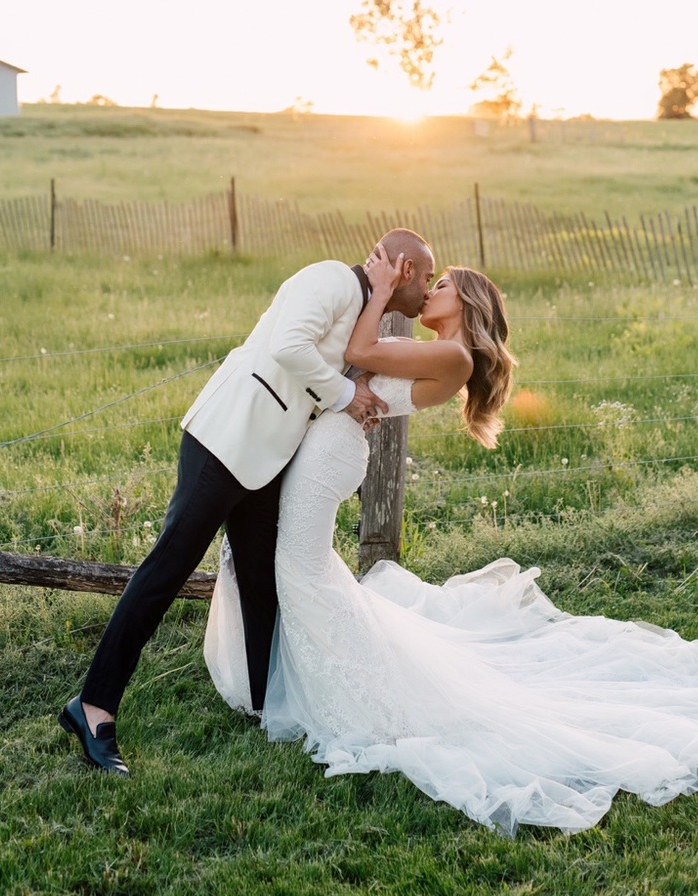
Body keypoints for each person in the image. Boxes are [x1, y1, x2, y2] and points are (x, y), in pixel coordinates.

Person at [205, 248, 698, 836]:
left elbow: (363, 350)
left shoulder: (452, 358)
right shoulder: (431, 348)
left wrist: (376, 288)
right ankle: (289, 679)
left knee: (301, 568)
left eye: (441, 284)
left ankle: (328, 690)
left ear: (469, 302)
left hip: (336, 452)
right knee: (298, 567)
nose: (428, 291)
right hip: (330, 444)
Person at [58, 229, 436, 778]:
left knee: (263, 583)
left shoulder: (364, 307)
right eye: (425, 275)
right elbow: (287, 347)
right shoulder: (329, 277)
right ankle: (93, 709)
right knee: (167, 569)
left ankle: (266, 702)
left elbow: (350, 357)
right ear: (402, 267)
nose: (427, 287)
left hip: (266, 458)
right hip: (225, 440)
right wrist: (346, 394)